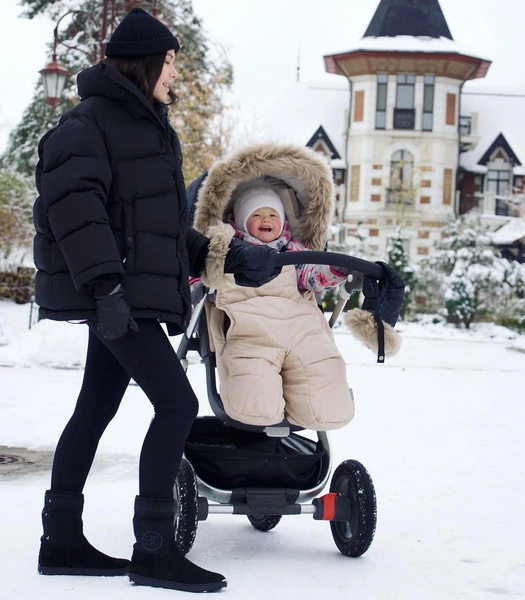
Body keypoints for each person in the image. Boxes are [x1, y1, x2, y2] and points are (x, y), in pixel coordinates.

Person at [32, 7, 281, 594]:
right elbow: (75, 209)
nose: (175, 75)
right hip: (118, 295)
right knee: (176, 404)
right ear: (145, 62)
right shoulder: (87, 124)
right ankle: (154, 548)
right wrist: (105, 287)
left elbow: (167, 230)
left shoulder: (151, 129)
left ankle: (61, 539)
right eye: (170, 62)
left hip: (127, 295)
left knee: (94, 409)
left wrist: (230, 254)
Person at [205, 185, 355, 429]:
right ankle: (259, 410)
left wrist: (335, 270)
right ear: (241, 222)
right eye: (256, 215)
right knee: (255, 389)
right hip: (252, 326)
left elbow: (313, 276)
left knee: (322, 369)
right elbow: (205, 272)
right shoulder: (228, 251)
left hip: (299, 327)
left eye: (273, 215)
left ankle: (322, 408)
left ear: (283, 222)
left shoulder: (294, 252)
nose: (266, 219)